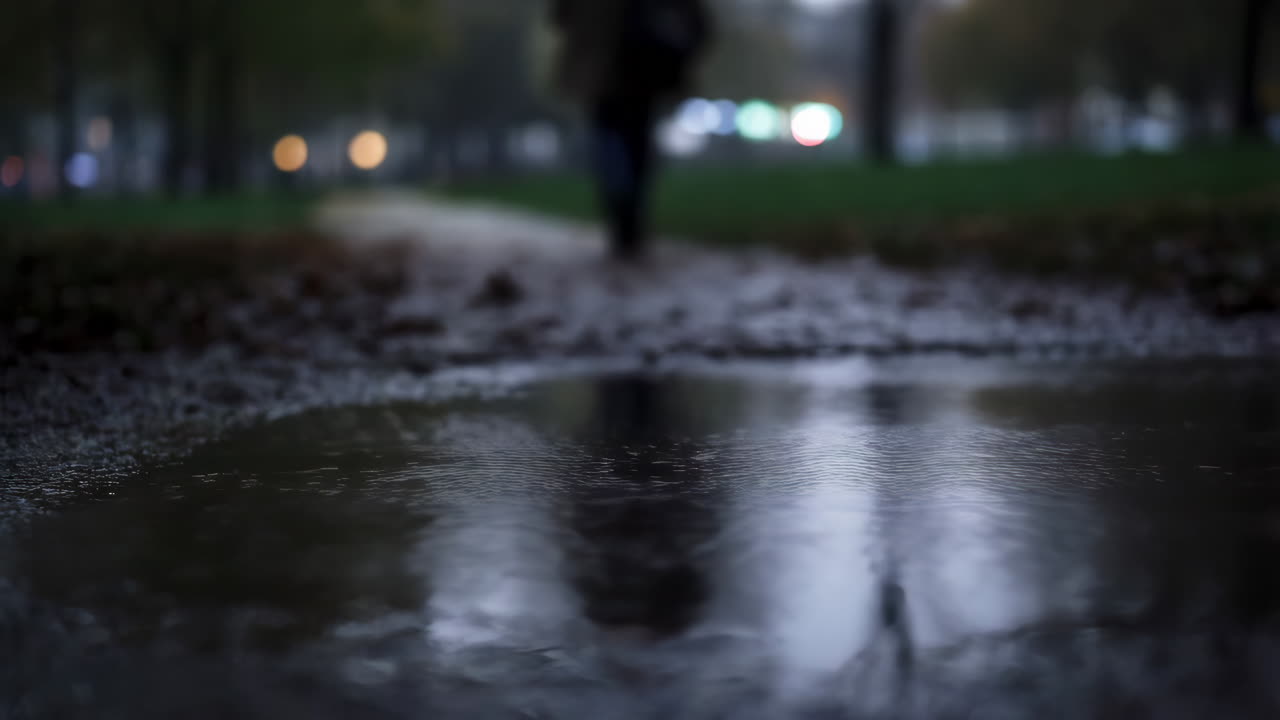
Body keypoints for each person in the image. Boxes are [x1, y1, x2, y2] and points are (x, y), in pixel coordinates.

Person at [550, 0, 713, 259]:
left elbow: (560, 16)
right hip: (641, 69)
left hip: (610, 70)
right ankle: (629, 212)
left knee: (613, 138)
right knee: (636, 140)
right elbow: (698, 22)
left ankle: (621, 205)